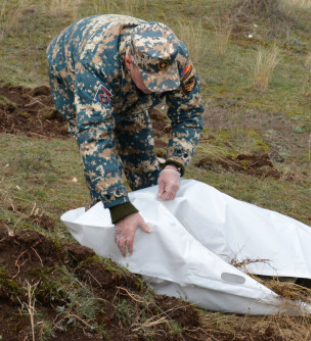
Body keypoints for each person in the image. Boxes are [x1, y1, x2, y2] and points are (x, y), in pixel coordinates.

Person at [47, 14, 204, 258]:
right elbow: (96, 138)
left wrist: (175, 164)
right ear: (130, 62)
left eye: (165, 82)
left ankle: (154, 235)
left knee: (142, 157)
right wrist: (119, 207)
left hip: (126, 86)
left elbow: (189, 114)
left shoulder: (176, 58)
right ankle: (105, 239)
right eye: (151, 81)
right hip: (68, 65)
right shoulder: (97, 63)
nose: (158, 89)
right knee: (105, 176)